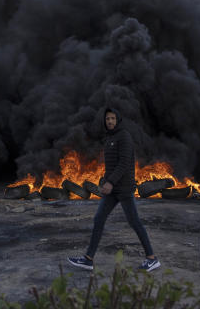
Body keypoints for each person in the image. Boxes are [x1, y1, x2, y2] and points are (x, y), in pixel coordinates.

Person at [68, 107, 161, 272]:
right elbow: (111, 164)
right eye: (107, 119)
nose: (109, 121)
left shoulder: (124, 136)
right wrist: (104, 179)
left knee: (134, 222)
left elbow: (124, 162)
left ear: (117, 120)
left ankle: (152, 258)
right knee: (99, 219)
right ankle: (88, 259)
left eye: (112, 118)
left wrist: (110, 182)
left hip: (123, 189)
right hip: (112, 191)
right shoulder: (110, 138)